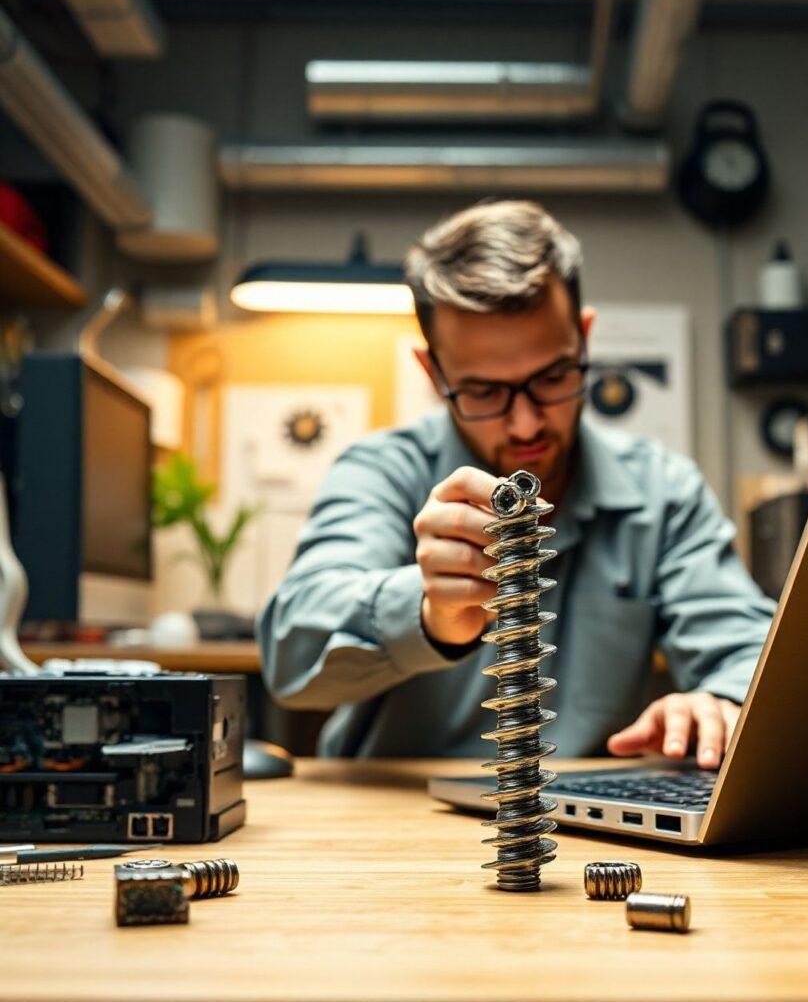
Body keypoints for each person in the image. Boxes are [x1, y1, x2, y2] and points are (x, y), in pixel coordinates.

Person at [258, 200, 776, 767]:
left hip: (576, 825)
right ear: (434, 374)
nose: (527, 424)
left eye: (553, 377)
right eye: (483, 392)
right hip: (389, 825)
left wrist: (723, 700)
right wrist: (429, 615)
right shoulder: (381, 471)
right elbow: (291, 660)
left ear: (584, 339)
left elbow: (748, 648)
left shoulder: (663, 491)